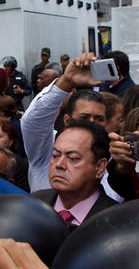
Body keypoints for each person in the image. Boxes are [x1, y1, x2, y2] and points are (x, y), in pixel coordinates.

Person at [22, 53, 106, 192]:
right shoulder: (47, 149)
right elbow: (33, 121)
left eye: (99, 119)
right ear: (67, 121)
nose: (92, 124)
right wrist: (67, 81)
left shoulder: (110, 157)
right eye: (84, 118)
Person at [32, 119, 117, 227]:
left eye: (73, 158)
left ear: (99, 167)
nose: (59, 164)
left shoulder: (115, 221)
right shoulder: (34, 203)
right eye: (55, 155)